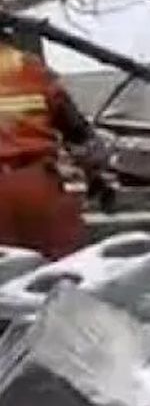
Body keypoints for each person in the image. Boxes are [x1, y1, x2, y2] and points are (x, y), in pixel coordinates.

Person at [0, 27, 113, 257]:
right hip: (38, 186)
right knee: (57, 280)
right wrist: (97, 180)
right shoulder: (31, 68)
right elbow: (81, 136)